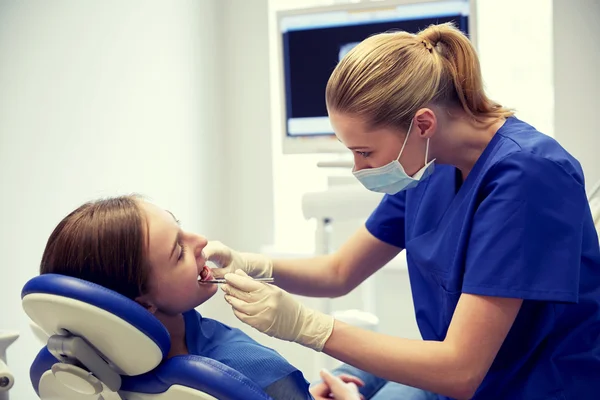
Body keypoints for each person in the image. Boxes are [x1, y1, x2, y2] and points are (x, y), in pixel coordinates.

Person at [206, 21, 600, 400]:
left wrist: (306, 327)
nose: (359, 168)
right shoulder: (430, 165)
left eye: (364, 151)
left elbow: (460, 369)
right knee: (354, 376)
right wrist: (251, 263)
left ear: (423, 123)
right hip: (463, 379)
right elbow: (339, 272)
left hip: (533, 386)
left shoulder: (529, 175)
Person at [39, 195, 365, 400]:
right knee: (399, 380)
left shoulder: (95, 369)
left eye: (180, 228)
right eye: (178, 252)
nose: (201, 241)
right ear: (143, 305)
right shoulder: (239, 366)